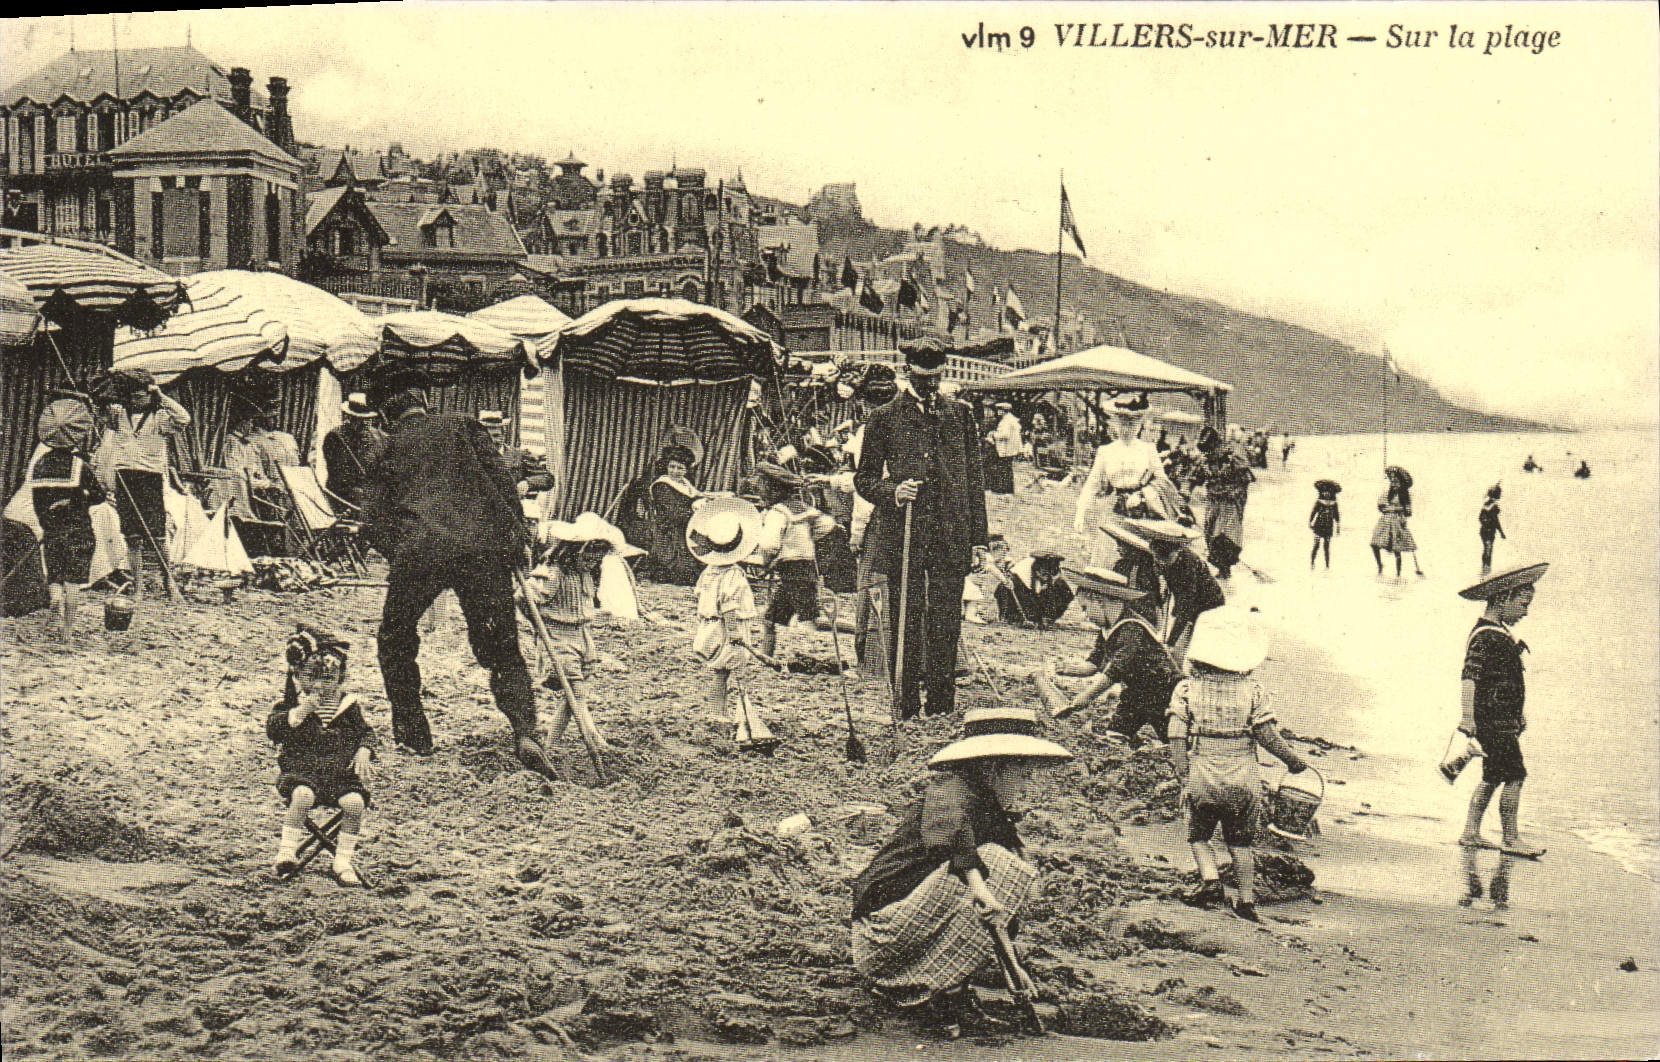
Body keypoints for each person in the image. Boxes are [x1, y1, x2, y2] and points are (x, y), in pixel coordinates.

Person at [362, 369, 557, 778]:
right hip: (483, 552)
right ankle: (524, 730)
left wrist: (404, 553)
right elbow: (502, 482)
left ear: (384, 416)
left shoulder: (386, 450)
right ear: (424, 401)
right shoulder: (462, 426)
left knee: (395, 638)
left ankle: (414, 736)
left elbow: (374, 523)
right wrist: (515, 538)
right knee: (501, 644)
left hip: (422, 552)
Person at [850, 707, 1072, 1032]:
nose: (1028, 785)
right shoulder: (948, 791)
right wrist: (980, 888)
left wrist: (1012, 965)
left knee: (1008, 864)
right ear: (994, 768)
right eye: (1023, 775)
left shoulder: (990, 810)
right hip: (882, 937)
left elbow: (995, 915)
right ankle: (937, 992)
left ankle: (946, 988)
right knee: (999, 863)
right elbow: (958, 840)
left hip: (910, 927)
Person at [855, 337, 988, 719]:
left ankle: (943, 707)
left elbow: (973, 483)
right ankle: (908, 706)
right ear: (907, 372)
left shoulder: (961, 415)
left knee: (947, 621)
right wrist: (893, 491)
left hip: (951, 535)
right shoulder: (883, 417)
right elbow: (863, 480)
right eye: (923, 378)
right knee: (907, 619)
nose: (930, 385)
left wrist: (979, 540)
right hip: (905, 535)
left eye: (936, 377)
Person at [1167, 607, 1310, 921]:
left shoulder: (1187, 690)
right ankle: (1246, 901)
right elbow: (1266, 734)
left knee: (1199, 836)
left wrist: (1182, 772)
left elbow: (1176, 736)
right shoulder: (1253, 691)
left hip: (1203, 772)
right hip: (1243, 776)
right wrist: (1294, 761)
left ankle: (1210, 880)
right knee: (1240, 843)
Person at [267, 626, 376, 887]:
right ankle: (287, 851)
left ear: (340, 680)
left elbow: (366, 732)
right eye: (311, 678)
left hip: (339, 776)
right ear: (298, 677)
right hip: (302, 772)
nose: (320, 686)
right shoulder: (292, 706)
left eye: (328, 679)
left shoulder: (347, 707)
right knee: (302, 796)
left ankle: (343, 861)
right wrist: (300, 712)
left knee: (354, 804)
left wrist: (364, 750)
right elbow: (274, 730)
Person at [521, 513, 644, 743]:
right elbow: (523, 597)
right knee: (576, 692)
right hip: (559, 637)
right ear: (574, 551)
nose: (592, 564)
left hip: (583, 636)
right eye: (588, 559)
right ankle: (595, 740)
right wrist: (539, 626)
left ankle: (550, 744)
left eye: (595, 561)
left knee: (573, 697)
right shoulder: (553, 573)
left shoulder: (584, 575)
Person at [1455, 562, 1549, 859]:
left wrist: (1517, 715)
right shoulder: (1486, 635)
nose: (1525, 611)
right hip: (1491, 721)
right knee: (1515, 774)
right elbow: (1469, 676)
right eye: (1523, 603)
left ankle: (1471, 831)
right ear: (1502, 599)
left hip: (1499, 720)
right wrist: (1467, 717)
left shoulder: (1497, 631)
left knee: (1493, 774)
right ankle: (1510, 838)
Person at [97, 369, 189, 599]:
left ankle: (169, 583)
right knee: (132, 537)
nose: (137, 401)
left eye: (142, 396)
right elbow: (102, 413)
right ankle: (138, 587)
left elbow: (184, 419)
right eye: (134, 396)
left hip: (150, 478)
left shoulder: (160, 418)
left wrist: (161, 395)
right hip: (126, 478)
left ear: (150, 396)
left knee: (157, 535)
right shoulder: (119, 415)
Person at [1073, 394, 1184, 567]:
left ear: (1139, 426)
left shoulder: (1148, 450)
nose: (1127, 429)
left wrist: (1143, 495)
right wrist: (1080, 513)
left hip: (1143, 511)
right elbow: (1092, 484)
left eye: (1132, 424)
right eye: (1123, 424)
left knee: (1142, 558)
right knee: (1110, 556)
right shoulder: (1106, 451)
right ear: (1115, 425)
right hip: (1116, 509)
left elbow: (1164, 483)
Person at [29, 398, 105, 640]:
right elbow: (99, 496)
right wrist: (79, 500)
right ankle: (68, 630)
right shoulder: (79, 465)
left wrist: (47, 523)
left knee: (55, 575)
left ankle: (54, 598)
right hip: (78, 530)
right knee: (74, 580)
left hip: (52, 531)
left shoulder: (40, 465)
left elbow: (38, 503)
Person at [687, 496, 763, 721]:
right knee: (734, 671)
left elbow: (700, 594)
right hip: (728, 628)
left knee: (721, 671)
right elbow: (729, 605)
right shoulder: (733, 575)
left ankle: (719, 710)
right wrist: (734, 631)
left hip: (710, 625)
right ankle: (734, 713)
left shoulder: (710, 571)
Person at [754, 462, 836, 660]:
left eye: (762, 485)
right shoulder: (803, 508)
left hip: (792, 570)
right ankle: (766, 657)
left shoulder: (777, 513)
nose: (759, 489)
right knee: (770, 618)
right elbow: (827, 524)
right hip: (805, 567)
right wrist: (807, 539)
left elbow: (769, 545)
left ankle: (822, 656)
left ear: (772, 489)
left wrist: (766, 561)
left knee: (810, 620)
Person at [1195, 425, 1253, 580]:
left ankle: (1225, 568)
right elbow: (1195, 477)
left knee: (1224, 535)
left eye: (1210, 448)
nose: (1209, 452)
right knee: (1210, 532)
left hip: (1230, 501)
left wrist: (1235, 492)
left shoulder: (1233, 454)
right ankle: (1221, 567)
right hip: (1214, 500)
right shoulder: (1206, 458)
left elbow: (1246, 478)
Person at [647, 444, 705, 586]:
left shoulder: (685, 484)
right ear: (667, 466)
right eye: (672, 466)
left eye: (680, 468)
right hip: (669, 530)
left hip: (685, 524)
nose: (675, 471)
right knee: (683, 571)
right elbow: (674, 513)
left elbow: (696, 496)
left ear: (686, 470)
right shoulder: (662, 486)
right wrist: (695, 513)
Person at [322, 393, 388, 512]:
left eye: (367, 419)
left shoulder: (380, 438)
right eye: (358, 419)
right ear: (349, 417)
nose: (363, 424)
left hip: (371, 500)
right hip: (341, 500)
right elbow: (337, 476)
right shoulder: (336, 438)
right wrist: (355, 490)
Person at [993, 550, 1074, 628]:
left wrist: (1048, 617)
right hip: (1023, 602)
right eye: (1043, 573)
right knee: (1004, 587)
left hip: (1039, 603)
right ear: (1036, 568)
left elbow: (1066, 595)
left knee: (1064, 591)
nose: (1046, 577)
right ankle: (1012, 618)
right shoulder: (1019, 575)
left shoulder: (1056, 576)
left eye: (1049, 574)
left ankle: (1047, 618)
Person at [1369, 465, 1423, 578]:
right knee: (1375, 543)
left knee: (1396, 548)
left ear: (1400, 482)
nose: (1393, 483)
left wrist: (1395, 509)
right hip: (1385, 522)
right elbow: (1381, 506)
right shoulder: (1387, 493)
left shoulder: (1405, 495)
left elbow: (1408, 511)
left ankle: (1398, 573)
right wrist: (1384, 507)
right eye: (1392, 480)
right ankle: (1380, 565)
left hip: (1397, 522)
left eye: (1396, 480)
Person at [982, 401, 1021, 495]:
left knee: (1004, 469)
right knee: (1006, 468)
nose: (998, 412)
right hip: (1010, 448)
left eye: (1000, 410)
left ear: (1004, 411)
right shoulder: (1010, 419)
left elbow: (1005, 435)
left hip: (1007, 448)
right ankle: (1006, 488)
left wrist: (994, 435)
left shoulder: (1006, 421)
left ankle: (1004, 488)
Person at [1309, 478, 1341, 570]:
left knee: (1326, 546)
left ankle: (1327, 565)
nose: (1326, 493)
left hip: (1329, 527)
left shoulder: (1334, 504)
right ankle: (1312, 562)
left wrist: (1338, 527)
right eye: (1324, 491)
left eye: (1328, 492)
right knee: (1316, 545)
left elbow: (1336, 516)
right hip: (1318, 526)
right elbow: (1313, 512)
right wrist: (1310, 522)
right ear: (1321, 492)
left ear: (1332, 493)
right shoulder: (1319, 502)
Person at [1478, 485, 1505, 574]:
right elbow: (1495, 520)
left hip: (1488, 531)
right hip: (1488, 531)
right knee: (1488, 548)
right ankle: (1485, 569)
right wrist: (1501, 532)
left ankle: (1486, 569)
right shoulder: (1491, 506)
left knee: (1488, 548)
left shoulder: (1488, 505)